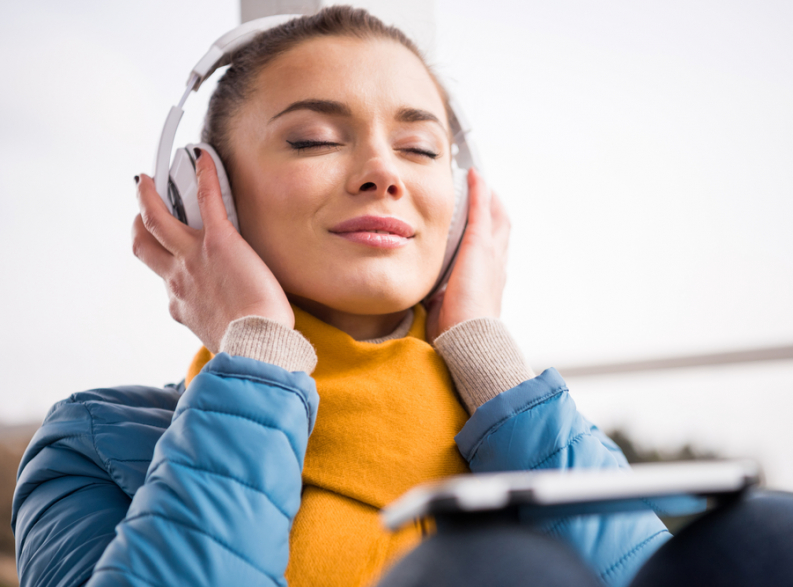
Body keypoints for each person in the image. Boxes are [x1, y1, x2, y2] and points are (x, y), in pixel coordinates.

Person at [11, 7, 669, 587]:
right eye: (314, 140)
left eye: (418, 148)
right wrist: (259, 353)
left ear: (465, 204)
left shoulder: (537, 431)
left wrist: (486, 355)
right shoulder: (89, 444)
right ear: (206, 196)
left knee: (769, 533)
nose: (384, 172)